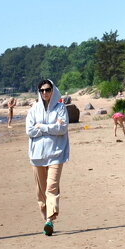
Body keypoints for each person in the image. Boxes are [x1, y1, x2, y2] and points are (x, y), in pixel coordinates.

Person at [26, 79, 70, 236]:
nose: (45, 92)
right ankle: (46, 218)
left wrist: (42, 127)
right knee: (41, 191)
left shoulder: (60, 108)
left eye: (48, 89)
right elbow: (30, 130)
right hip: (37, 156)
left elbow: (62, 128)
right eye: (42, 90)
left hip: (56, 155)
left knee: (51, 187)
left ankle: (50, 220)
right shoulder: (34, 110)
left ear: (53, 90)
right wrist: (51, 128)